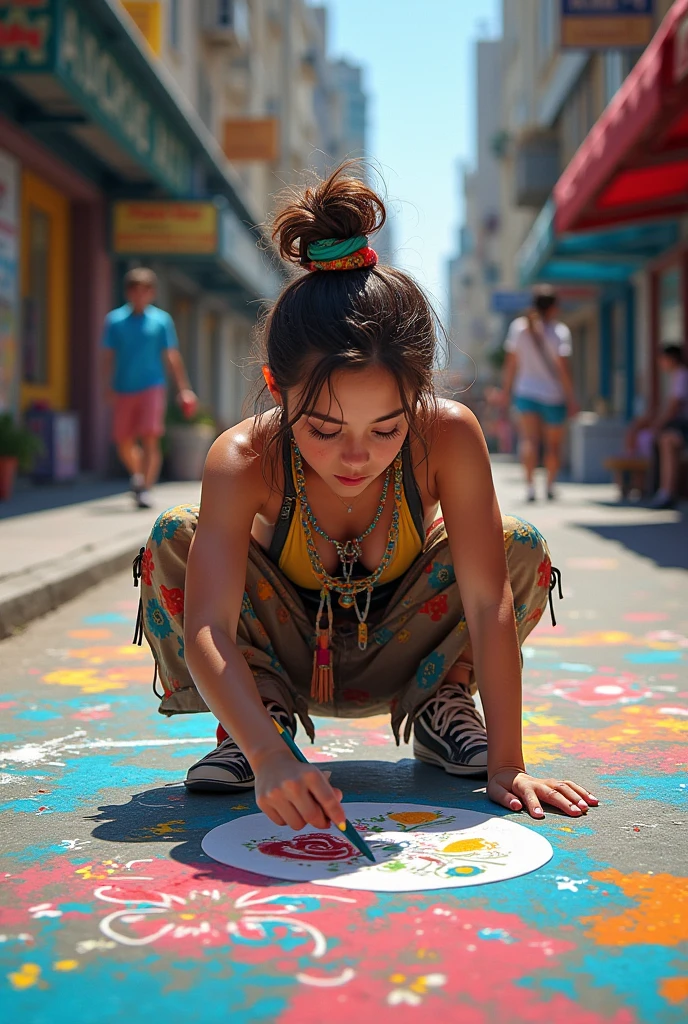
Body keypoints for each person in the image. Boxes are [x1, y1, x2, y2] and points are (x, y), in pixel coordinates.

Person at [135, 167, 597, 832]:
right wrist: (268, 755)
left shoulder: (449, 436)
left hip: (410, 655)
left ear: (419, 395)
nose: (356, 456)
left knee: (517, 543)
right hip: (283, 656)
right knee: (177, 534)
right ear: (277, 387)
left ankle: (444, 702)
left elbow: (489, 602)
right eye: (324, 428)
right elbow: (207, 624)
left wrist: (508, 764)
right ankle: (254, 716)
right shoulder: (243, 459)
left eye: (386, 428)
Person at [102, 268, 198, 509]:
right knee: (123, 441)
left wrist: (183, 389)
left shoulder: (161, 321)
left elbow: (171, 356)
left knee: (149, 438)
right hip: (124, 388)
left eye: (145, 290)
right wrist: (108, 385)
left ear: (152, 293)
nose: (140, 295)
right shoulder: (114, 321)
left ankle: (144, 489)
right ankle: (138, 474)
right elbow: (108, 357)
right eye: (135, 290)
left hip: (152, 387)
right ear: (128, 292)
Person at [502, 286, 577, 502]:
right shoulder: (560, 332)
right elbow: (563, 368)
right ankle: (550, 486)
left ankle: (530, 488)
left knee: (529, 440)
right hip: (553, 395)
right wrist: (571, 398)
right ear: (553, 307)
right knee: (553, 445)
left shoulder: (518, 328)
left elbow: (511, 364)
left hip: (525, 391)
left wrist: (506, 392)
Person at [645, 344, 688, 509]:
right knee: (661, 440)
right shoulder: (676, 376)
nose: (660, 363)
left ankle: (667, 492)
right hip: (680, 425)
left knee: (667, 440)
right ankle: (660, 490)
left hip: (683, 426)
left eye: (662, 358)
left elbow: (674, 406)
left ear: (671, 359)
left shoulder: (682, 375)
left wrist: (658, 424)